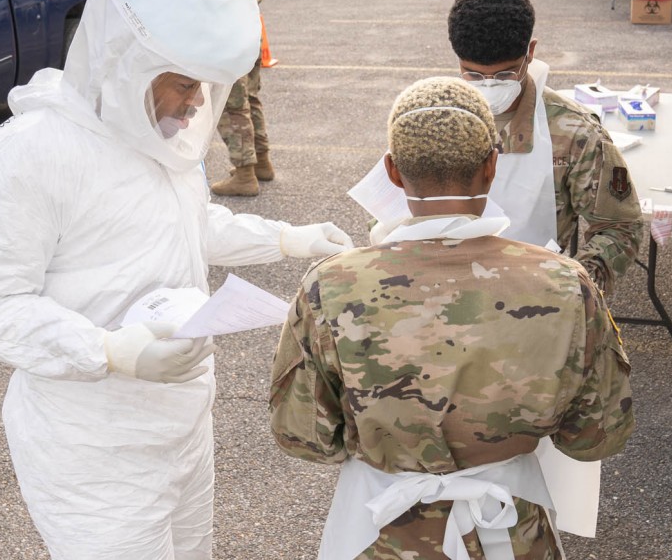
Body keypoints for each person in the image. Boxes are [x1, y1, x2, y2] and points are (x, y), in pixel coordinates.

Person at [0, 0, 354, 560]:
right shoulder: (30, 153)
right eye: (185, 83)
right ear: (124, 57)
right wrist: (110, 350)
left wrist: (290, 239)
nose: (197, 102)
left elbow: (192, 225)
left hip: (182, 426)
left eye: (207, 86)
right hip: (93, 456)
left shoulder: (153, 134)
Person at [270, 76, 635, 560]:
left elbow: (304, 435)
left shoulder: (330, 285)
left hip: (376, 525)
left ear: (394, 173)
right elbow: (598, 435)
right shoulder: (565, 282)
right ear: (491, 167)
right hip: (510, 525)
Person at [440, 0, 645, 297]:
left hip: (535, 298)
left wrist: (575, 289)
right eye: (474, 75)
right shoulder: (434, 119)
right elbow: (388, 211)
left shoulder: (573, 132)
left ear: (530, 53)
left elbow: (620, 225)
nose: (490, 87)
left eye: (506, 75)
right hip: (444, 294)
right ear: (458, 61)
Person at [208, 0, 275, 197]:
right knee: (250, 98)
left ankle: (245, 174)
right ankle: (262, 162)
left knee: (232, 106)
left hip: (233, 37)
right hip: (251, 34)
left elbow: (218, 1)